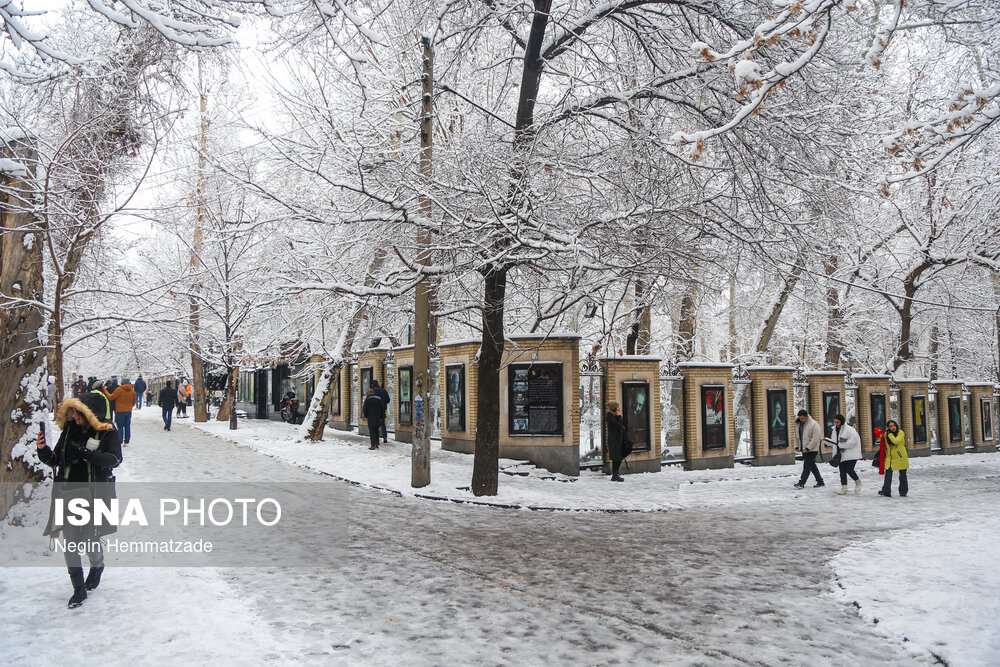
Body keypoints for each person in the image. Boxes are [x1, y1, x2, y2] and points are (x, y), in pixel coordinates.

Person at [36, 392, 122, 608]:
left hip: (94, 495)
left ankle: (97, 566)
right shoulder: (69, 430)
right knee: (70, 541)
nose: (73, 416)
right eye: (72, 411)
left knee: (90, 539)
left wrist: (88, 455)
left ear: (90, 413)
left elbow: (115, 459)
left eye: (77, 412)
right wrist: (43, 450)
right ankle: (78, 589)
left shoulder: (106, 431)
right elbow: (56, 460)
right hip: (67, 493)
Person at [793, 409, 824, 488]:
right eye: (800, 418)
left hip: (812, 449)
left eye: (802, 418)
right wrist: (797, 446)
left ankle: (802, 482)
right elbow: (796, 436)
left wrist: (808, 448)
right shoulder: (798, 424)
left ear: (806, 416)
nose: (801, 420)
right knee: (812, 465)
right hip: (803, 448)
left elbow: (815, 438)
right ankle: (820, 481)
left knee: (807, 465)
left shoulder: (814, 424)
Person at [832, 413, 863, 495]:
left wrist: (841, 445)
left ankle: (858, 482)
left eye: (838, 422)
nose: (836, 424)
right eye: (835, 422)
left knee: (849, 469)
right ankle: (844, 488)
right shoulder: (834, 430)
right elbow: (834, 442)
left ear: (842, 421)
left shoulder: (850, 430)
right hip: (841, 454)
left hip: (852, 454)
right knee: (842, 470)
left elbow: (854, 442)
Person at [879, 419, 909, 497]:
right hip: (890, 458)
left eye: (894, 425)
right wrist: (879, 433)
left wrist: (889, 434)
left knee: (902, 475)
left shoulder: (900, 433)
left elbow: (896, 441)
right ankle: (886, 491)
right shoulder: (887, 434)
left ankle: (903, 492)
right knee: (888, 474)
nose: (893, 428)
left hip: (901, 457)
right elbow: (882, 440)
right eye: (890, 426)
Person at [103, 379, 136, 446]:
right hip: (128, 411)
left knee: (120, 426)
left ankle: (120, 441)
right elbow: (134, 401)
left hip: (120, 411)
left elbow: (111, 397)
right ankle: (126, 442)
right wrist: (129, 407)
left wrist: (105, 390)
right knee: (127, 426)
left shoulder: (119, 390)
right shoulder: (132, 391)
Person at [605, 401, 627, 482]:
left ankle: (616, 474)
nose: (619, 408)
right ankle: (615, 475)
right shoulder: (610, 417)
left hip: (618, 439)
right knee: (616, 457)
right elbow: (618, 425)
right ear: (614, 408)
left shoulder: (614, 416)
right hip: (614, 440)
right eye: (617, 407)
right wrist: (619, 416)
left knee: (618, 457)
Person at [372, 379, 391, 444]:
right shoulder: (383, 390)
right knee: (382, 424)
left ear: (372, 385)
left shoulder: (372, 391)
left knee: (374, 425)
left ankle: (375, 440)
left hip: (374, 410)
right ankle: (384, 437)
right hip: (382, 410)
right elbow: (388, 400)